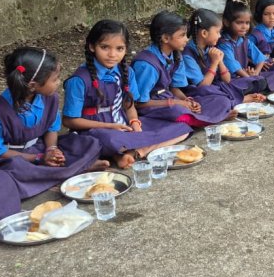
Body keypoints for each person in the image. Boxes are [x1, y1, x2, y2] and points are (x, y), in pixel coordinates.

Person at [63, 20, 191, 169]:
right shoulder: (79, 80)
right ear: (92, 46)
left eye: (119, 48)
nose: (112, 54)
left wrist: (135, 122)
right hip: (94, 129)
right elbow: (69, 121)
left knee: (182, 128)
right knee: (109, 139)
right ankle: (126, 151)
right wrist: (109, 126)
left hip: (123, 125)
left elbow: (129, 105)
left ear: (126, 49)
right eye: (104, 47)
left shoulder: (126, 72)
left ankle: (135, 152)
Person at [0, 47, 105, 193]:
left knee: (87, 142)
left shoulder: (51, 98)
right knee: (12, 172)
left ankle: (63, 172)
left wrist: (52, 150)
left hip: (40, 148)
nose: (58, 83)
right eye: (55, 79)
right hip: (12, 158)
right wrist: (39, 157)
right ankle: (76, 168)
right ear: (32, 86)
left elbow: (51, 129)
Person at [133, 11, 235, 127]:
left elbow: (173, 87)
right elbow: (139, 103)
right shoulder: (146, 64)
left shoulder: (176, 55)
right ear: (166, 38)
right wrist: (175, 102)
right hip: (152, 107)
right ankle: (213, 118)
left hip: (169, 98)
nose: (187, 39)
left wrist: (187, 101)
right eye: (182, 35)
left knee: (221, 101)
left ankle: (208, 117)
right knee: (178, 112)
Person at [180, 9, 268, 107]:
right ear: (204, 33)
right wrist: (214, 64)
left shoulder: (211, 47)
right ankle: (240, 99)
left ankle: (233, 98)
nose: (220, 35)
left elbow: (227, 80)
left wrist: (220, 61)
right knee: (214, 94)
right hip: (201, 91)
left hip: (219, 87)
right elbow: (203, 86)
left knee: (259, 81)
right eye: (217, 32)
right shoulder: (187, 54)